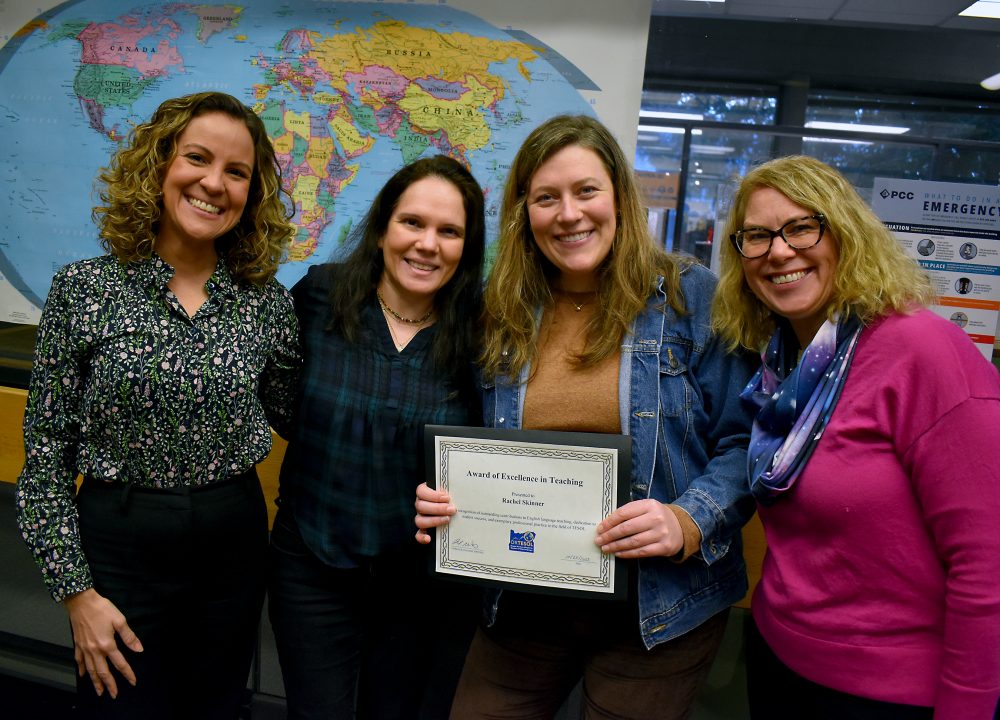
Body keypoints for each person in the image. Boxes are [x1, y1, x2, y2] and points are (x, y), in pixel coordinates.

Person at [415, 114, 756, 719]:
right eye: (546, 198)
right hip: (521, 601)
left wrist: (688, 519)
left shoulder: (691, 296)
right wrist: (446, 497)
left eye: (586, 191)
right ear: (526, 213)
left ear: (620, 198)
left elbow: (745, 441)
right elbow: (472, 440)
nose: (568, 214)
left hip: (658, 611)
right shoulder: (500, 310)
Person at [15, 91, 301, 719]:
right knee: (122, 709)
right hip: (118, 544)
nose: (214, 183)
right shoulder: (85, 289)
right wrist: (76, 593)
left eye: (237, 172)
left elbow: (304, 420)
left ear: (252, 194)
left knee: (219, 708)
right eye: (197, 158)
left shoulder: (266, 303)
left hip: (232, 540)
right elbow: (45, 458)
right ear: (158, 165)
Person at [712, 155, 1000, 719]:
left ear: (847, 235)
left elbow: (987, 564)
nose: (778, 251)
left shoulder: (925, 352)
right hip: (777, 658)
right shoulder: (782, 363)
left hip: (889, 693)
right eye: (756, 236)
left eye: (801, 228)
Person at [268, 155, 486, 719]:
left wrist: (473, 499)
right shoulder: (320, 296)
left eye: (450, 231)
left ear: (468, 246)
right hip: (312, 561)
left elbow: (495, 451)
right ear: (384, 226)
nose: (427, 244)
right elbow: (281, 401)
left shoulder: (483, 333)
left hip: (422, 587)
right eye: (412, 222)